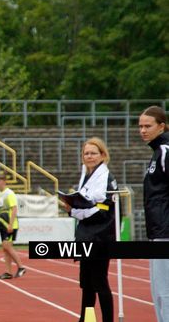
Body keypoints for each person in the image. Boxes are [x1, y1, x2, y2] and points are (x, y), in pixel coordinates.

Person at [62, 137, 116, 322]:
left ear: (102, 155)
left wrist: (74, 211)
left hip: (100, 237)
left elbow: (103, 209)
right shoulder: (86, 174)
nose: (89, 156)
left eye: (93, 153)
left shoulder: (106, 178)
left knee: (100, 282)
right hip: (86, 235)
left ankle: (108, 320)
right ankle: (86, 318)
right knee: (86, 283)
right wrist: (73, 207)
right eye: (86, 153)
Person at [139, 105, 169, 322]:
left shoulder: (166, 151)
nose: (142, 130)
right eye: (140, 126)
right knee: (159, 292)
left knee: (164, 291)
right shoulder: (158, 152)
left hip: (165, 230)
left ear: (162, 126)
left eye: (147, 126)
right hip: (158, 230)